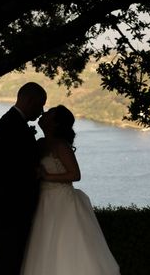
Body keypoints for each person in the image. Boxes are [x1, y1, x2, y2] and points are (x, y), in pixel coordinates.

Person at [21, 105, 120, 275]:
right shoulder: (40, 143)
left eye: (49, 113)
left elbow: (75, 174)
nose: (44, 114)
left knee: (65, 246)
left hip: (61, 200)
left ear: (55, 123)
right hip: (43, 200)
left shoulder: (61, 146)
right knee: (43, 246)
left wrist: (46, 177)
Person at [0, 82, 47, 275]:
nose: (41, 111)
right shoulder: (12, 125)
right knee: (10, 260)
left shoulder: (12, 122)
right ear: (29, 101)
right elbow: (17, 167)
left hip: (11, 205)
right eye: (40, 105)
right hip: (11, 206)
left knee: (13, 258)